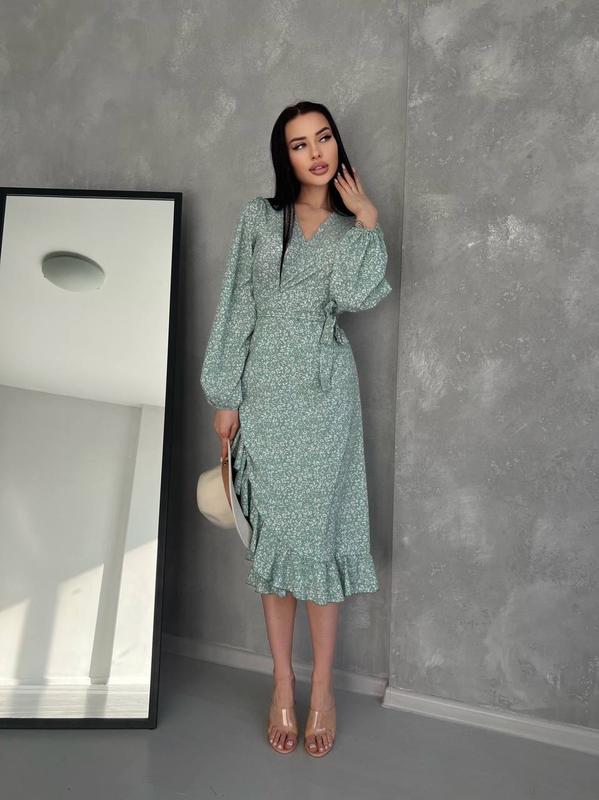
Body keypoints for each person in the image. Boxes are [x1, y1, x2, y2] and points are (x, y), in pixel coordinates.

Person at [200, 101, 392, 757]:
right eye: (299, 144)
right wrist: (225, 395)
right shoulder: (259, 218)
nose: (315, 153)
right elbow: (236, 306)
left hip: (323, 399)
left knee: (317, 546)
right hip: (263, 399)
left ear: (337, 144)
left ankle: (323, 691)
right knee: (274, 550)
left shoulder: (348, 229)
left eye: (323, 138)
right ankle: (282, 683)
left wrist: (367, 221)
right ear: (283, 156)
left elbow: (359, 296)